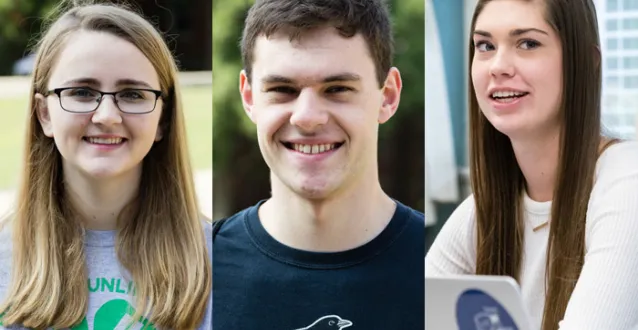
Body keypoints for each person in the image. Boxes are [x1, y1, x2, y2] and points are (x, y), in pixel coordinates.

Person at [425, 0, 638, 329]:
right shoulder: (482, 211)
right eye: (485, 45)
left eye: (528, 43)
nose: (498, 66)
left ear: (586, 62)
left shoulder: (627, 181)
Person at [212, 0, 425, 328]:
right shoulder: (197, 271)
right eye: (282, 89)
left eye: (337, 89)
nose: (307, 117)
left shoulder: (442, 265)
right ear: (249, 98)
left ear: (388, 96)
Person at [0, 2, 212, 329]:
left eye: (132, 94)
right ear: (44, 114)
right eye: (82, 92)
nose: (107, 116)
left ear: (163, 119)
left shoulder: (218, 261)